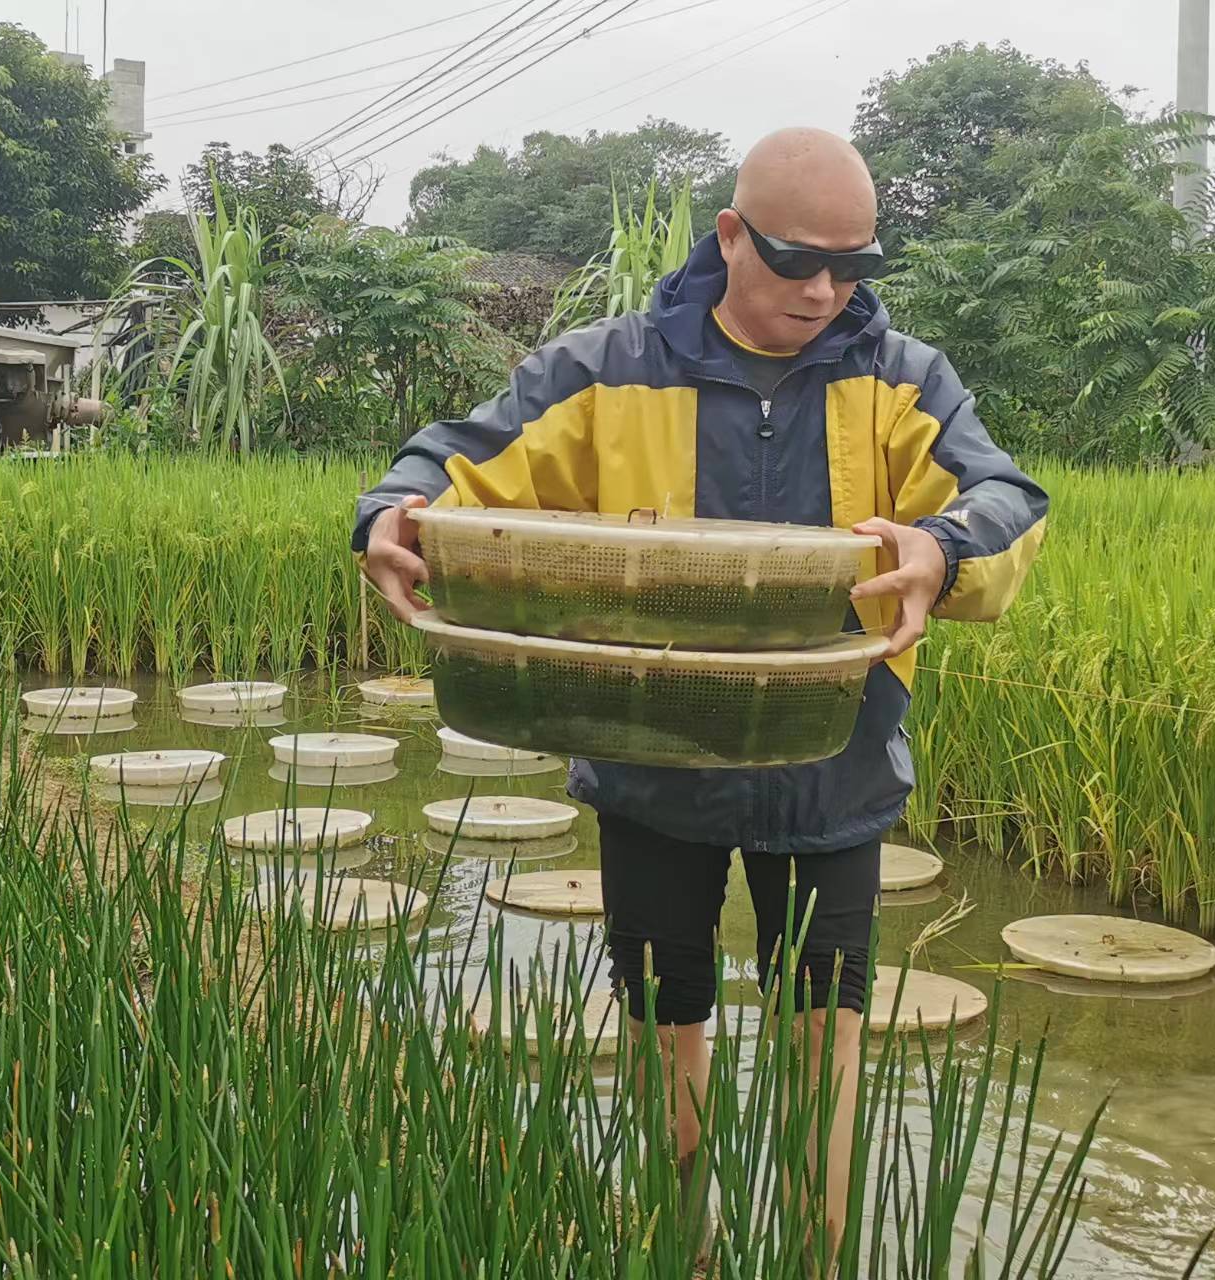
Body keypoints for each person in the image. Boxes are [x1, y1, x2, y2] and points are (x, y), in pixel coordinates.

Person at [349, 126, 1047, 1262]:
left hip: (834, 761)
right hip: (648, 752)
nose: (822, 290)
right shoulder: (605, 370)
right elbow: (450, 463)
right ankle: (678, 1238)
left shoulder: (901, 381)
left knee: (824, 1032)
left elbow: (1001, 497)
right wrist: (387, 516)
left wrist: (939, 551)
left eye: (852, 266)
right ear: (729, 235)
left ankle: (812, 1251)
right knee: (663, 1015)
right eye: (792, 258)